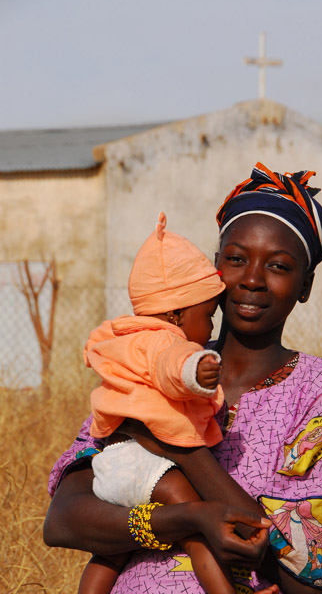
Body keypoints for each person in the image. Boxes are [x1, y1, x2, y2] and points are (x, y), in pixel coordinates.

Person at [44, 162, 322, 594]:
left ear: (306, 284)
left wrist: (183, 452)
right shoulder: (152, 366)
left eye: (279, 266)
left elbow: (307, 576)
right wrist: (189, 519)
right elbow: (63, 520)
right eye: (236, 259)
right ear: (212, 270)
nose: (252, 279)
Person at [78, 211, 257, 594]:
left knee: (108, 555)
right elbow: (170, 366)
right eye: (207, 316)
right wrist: (198, 368)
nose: (210, 328)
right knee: (199, 532)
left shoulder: (126, 335)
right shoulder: (164, 341)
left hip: (113, 463)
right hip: (146, 464)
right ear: (176, 314)